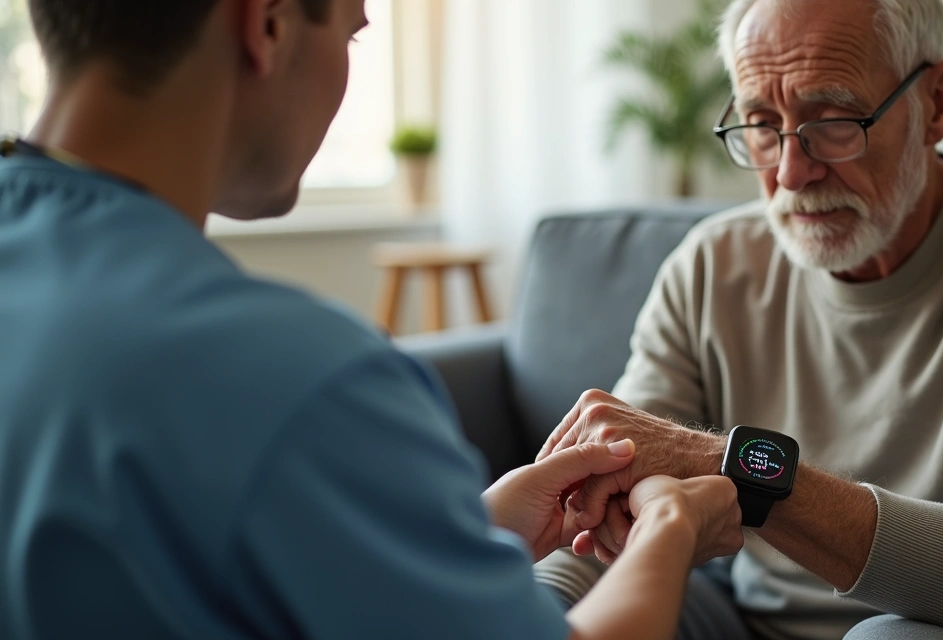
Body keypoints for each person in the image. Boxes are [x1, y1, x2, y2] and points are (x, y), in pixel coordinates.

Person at [0, 1, 745, 639]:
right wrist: (670, 531)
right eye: (354, 34)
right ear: (264, 24)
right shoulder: (301, 378)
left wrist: (468, 535)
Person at [533, 0, 943, 639]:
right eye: (761, 124)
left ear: (939, 102)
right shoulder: (710, 265)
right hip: (739, 621)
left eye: (832, 120)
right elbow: (604, 503)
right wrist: (522, 615)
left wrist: (733, 465)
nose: (792, 173)